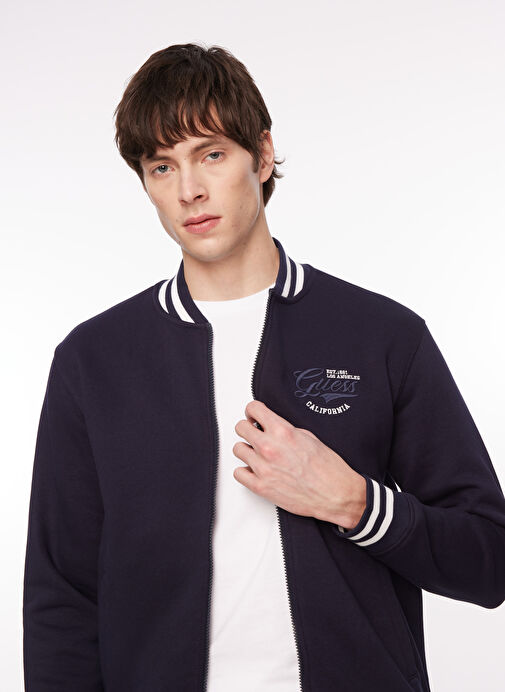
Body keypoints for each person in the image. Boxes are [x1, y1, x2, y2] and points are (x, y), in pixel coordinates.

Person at [22, 42, 505, 692]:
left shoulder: (382, 336)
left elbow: (488, 561)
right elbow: (60, 596)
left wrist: (355, 503)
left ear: (264, 153)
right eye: (162, 166)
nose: (189, 190)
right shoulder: (94, 361)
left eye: (211, 154)